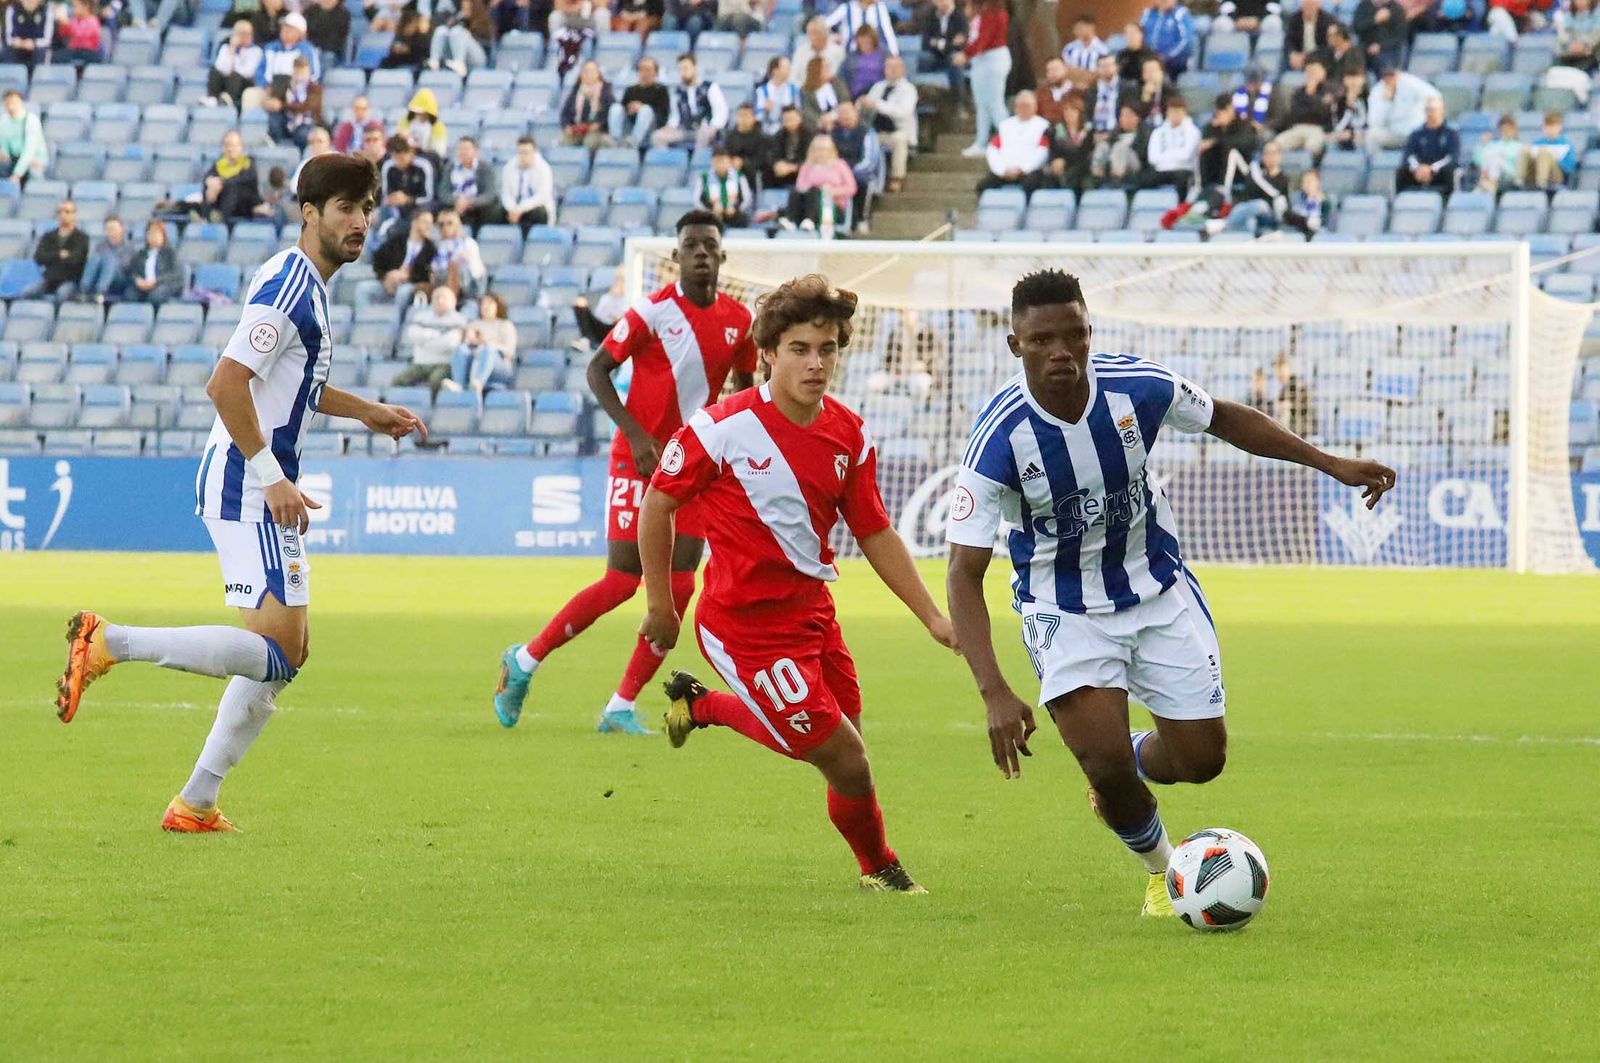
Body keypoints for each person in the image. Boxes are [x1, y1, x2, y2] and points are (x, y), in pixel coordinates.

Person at [944, 269, 1395, 913]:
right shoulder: (999, 439)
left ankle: (1128, 757)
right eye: (1043, 340)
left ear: (1090, 332)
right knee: (1101, 765)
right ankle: (1165, 871)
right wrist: (993, 690)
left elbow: (1226, 419)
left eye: (1074, 335)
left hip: (1158, 592)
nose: (1061, 352)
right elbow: (963, 572)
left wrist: (1330, 463)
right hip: (1064, 610)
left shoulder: (1140, 388)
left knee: (1201, 760)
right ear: (1016, 345)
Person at [53, 154, 427, 833]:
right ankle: (110, 641)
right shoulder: (290, 284)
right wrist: (271, 475)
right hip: (246, 483)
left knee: (289, 653)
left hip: (261, 481)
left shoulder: (307, 286)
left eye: (367, 208)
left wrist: (365, 409)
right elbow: (226, 383)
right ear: (310, 213)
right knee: (280, 650)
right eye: (346, 207)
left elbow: (292, 384)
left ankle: (196, 800)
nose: (361, 221)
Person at [639, 274, 957, 892]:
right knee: (845, 758)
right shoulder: (721, 429)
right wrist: (660, 606)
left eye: (829, 349)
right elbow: (658, 505)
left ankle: (699, 705)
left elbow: (875, 532)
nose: (817, 364)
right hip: (744, 628)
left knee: (847, 752)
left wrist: (934, 618)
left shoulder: (849, 433)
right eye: (800, 349)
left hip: (813, 615)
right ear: (767, 353)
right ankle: (881, 870)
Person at [494, 211, 757, 735]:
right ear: (676, 257)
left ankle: (620, 705)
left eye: (710, 245)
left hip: (696, 468)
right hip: (638, 461)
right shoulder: (651, 312)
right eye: (691, 245)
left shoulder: (738, 320)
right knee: (622, 580)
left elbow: (745, 392)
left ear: (722, 257)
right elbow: (597, 369)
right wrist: (636, 435)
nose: (701, 252)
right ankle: (523, 661)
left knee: (680, 589)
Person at [959, 0, 1010, 157]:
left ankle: (1010, 141)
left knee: (994, 103)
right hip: (982, 61)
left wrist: (965, 54)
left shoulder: (993, 14)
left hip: (991, 60)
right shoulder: (983, 14)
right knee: (982, 105)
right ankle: (981, 142)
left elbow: (984, 40)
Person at [396, 285, 468, 395]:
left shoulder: (459, 320)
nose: (440, 300)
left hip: (444, 364)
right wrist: (437, 335)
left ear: (453, 301)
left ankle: (432, 409)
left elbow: (450, 343)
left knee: (436, 380)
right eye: (437, 297)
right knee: (398, 381)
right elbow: (413, 334)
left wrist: (425, 342)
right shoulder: (421, 317)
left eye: (444, 297)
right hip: (420, 363)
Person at [978, 90, 1052, 195]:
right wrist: (1001, 170)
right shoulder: (1005, 125)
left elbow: (1043, 152)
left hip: (1030, 171)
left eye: (1027, 105)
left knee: (1032, 185)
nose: (1023, 109)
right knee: (983, 186)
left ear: (1035, 107)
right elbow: (992, 149)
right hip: (1005, 171)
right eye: (1020, 105)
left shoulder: (1043, 126)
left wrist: (1023, 169)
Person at [861, 55, 918, 192]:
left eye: (896, 67)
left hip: (897, 131)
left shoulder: (908, 89)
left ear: (903, 69)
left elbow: (903, 112)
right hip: (876, 131)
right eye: (889, 67)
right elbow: (869, 105)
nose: (892, 70)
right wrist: (863, 104)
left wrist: (877, 105)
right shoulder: (878, 87)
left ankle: (897, 177)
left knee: (899, 139)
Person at [650, 54, 729, 150]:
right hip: (685, 129)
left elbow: (721, 110)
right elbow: (675, 116)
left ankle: (697, 161)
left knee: (703, 133)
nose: (683, 72)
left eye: (686, 68)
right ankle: (668, 163)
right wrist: (669, 126)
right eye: (680, 69)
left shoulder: (710, 87)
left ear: (695, 68)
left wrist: (714, 126)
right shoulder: (677, 92)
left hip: (706, 128)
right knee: (657, 136)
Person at [782, 133, 856, 231]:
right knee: (796, 193)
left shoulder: (840, 165)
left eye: (823, 149)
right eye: (817, 149)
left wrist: (832, 191)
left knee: (816, 192)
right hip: (808, 201)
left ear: (831, 150)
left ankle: (810, 220)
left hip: (831, 206)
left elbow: (851, 188)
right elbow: (800, 185)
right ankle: (790, 220)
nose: (820, 152)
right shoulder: (807, 166)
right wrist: (811, 188)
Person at [449, 292, 516, 394]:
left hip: (498, 366)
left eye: (489, 303)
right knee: (460, 349)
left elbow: (509, 351)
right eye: (483, 304)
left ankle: (478, 382)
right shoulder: (473, 325)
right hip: (473, 361)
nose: (485, 307)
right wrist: (469, 340)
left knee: (487, 350)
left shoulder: (505, 325)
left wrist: (486, 342)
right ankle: (459, 385)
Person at [1272, 56, 1336, 157]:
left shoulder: (1330, 90)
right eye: (1309, 71)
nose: (1311, 74)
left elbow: (1324, 114)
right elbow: (1295, 114)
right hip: (1297, 128)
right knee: (1275, 144)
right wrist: (1314, 100)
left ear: (1323, 71)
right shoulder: (1299, 92)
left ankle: (1310, 171)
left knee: (1312, 146)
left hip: (1318, 129)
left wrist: (1311, 96)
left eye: (1314, 71)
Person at [1365, 63, 1436, 153]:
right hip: (1394, 133)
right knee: (1371, 135)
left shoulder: (1410, 82)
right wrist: (1385, 103)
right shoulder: (1377, 92)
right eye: (1386, 76)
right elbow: (1373, 122)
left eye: (1392, 75)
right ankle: (1375, 165)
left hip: (1416, 132)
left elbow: (1434, 95)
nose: (1390, 79)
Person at [27, 200, 89, 302]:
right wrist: (59, 254)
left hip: (70, 280)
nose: (63, 215)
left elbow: (75, 259)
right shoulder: (48, 236)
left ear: (74, 214)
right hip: (49, 280)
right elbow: (39, 257)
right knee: (28, 293)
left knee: (62, 295)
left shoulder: (82, 238)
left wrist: (51, 257)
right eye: (60, 212)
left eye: (67, 212)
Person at [1395, 95, 1457, 195]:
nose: (1430, 113)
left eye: (1433, 110)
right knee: (1401, 172)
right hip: (1417, 173)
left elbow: (1452, 157)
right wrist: (1418, 168)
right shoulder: (1416, 134)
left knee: (1449, 173)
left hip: (1439, 173)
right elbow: (1407, 155)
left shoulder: (1451, 133)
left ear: (1442, 110)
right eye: (1428, 109)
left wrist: (1431, 169)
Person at [372, 207, 437, 296]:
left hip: (412, 285)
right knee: (364, 289)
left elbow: (427, 275)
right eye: (425, 222)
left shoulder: (431, 249)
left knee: (403, 291)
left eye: (431, 223)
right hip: (390, 281)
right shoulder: (397, 241)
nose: (429, 226)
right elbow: (378, 258)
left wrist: (408, 276)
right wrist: (386, 275)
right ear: (414, 222)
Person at [379, 135, 438, 232]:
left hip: (419, 206)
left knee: (419, 216)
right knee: (378, 215)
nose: (398, 162)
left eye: (401, 158)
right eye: (395, 157)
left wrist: (408, 200)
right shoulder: (388, 166)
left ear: (411, 154)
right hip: (396, 207)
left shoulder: (423, 166)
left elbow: (429, 197)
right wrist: (392, 199)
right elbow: (386, 195)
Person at [1143, 95, 1199, 196]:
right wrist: (1173, 156)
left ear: (1184, 112)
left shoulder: (1193, 131)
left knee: (1182, 179)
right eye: (1172, 111)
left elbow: (1186, 155)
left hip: (1183, 169)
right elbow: (1153, 157)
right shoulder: (1158, 132)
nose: (1175, 115)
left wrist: (1165, 155)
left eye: (1178, 111)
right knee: (1144, 179)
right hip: (1161, 169)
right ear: (1167, 112)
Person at [202, 132, 264, 222]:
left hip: (245, 205)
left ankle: (220, 222)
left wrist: (220, 183)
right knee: (209, 185)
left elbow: (241, 180)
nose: (230, 149)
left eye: (234, 145)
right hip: (223, 202)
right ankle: (206, 218)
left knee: (231, 187)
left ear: (241, 147)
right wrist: (210, 182)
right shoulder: (220, 164)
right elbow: (208, 176)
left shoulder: (248, 163)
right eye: (227, 145)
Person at [500, 135, 555, 235]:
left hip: (533, 208)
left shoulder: (544, 169)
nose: (523, 156)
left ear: (534, 152)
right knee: (496, 212)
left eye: (526, 153)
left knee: (537, 214)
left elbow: (541, 197)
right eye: (520, 152)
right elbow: (506, 194)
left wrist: (521, 209)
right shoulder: (509, 167)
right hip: (514, 208)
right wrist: (512, 209)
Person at [610, 56, 669, 146]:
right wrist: (629, 109)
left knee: (645, 110)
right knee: (615, 108)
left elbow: (663, 115)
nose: (644, 73)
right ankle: (615, 141)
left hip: (651, 126)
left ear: (655, 72)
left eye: (648, 70)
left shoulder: (661, 90)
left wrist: (641, 108)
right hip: (630, 124)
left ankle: (633, 143)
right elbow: (622, 109)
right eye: (641, 70)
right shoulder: (630, 90)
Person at [268, 56, 325, 149]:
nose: (300, 75)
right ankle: (276, 146)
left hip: (307, 121)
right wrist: (274, 103)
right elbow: (277, 100)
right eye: (298, 71)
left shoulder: (315, 88)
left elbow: (307, 107)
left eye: (303, 72)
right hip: (289, 119)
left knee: (302, 134)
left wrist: (282, 105)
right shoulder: (287, 85)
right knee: (274, 118)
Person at [918, 0, 968, 105]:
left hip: (951, 56)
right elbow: (925, 42)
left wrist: (938, 43)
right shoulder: (930, 15)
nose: (942, 4)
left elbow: (961, 43)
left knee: (956, 61)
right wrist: (948, 43)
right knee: (920, 58)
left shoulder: (960, 17)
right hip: (933, 56)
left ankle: (958, 103)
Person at [430, 208, 486, 300]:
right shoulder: (440, 246)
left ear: (457, 225)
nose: (445, 228)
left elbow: (477, 271)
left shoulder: (468, 243)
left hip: (470, 286)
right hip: (444, 283)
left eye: (449, 223)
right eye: (441, 225)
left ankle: (450, 300)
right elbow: (435, 270)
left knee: (454, 265)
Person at [207, 21, 264, 111]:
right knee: (214, 72)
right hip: (226, 78)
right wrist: (232, 50)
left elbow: (248, 71)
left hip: (245, 82)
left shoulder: (256, 51)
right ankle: (212, 98)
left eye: (247, 34)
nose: (243, 37)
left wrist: (234, 68)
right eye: (240, 34)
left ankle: (229, 100)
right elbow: (221, 67)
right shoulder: (225, 48)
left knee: (235, 76)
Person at [448, 136, 502, 230]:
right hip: (456, 204)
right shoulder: (450, 167)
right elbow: (443, 192)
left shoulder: (485, 168)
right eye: (460, 149)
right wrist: (457, 201)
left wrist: (469, 202)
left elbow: (489, 194)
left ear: (475, 151)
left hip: (478, 207)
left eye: (466, 149)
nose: (463, 152)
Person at [1092, 103, 1151, 188]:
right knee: (1102, 146)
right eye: (1122, 116)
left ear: (1137, 118)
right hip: (1110, 166)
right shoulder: (1114, 134)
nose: (1124, 119)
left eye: (1128, 115)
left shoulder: (1144, 134)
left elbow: (1143, 154)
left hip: (1135, 166)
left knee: (1120, 147)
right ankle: (1096, 179)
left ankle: (1116, 180)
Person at [1045, 94, 1094, 195]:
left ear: (1079, 113)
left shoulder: (1088, 131)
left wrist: (1064, 161)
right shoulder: (1056, 131)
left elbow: (1084, 154)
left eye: (1073, 110)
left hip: (1081, 168)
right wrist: (1055, 161)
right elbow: (1053, 150)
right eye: (1066, 110)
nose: (1069, 114)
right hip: (1060, 168)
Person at [125, 220, 183, 305]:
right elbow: (133, 272)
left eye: (156, 233)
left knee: (156, 296)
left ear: (163, 235)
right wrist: (137, 280)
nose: (153, 236)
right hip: (144, 285)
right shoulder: (141, 254)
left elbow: (175, 274)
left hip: (164, 284)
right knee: (130, 295)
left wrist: (155, 281)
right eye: (151, 233)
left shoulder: (170, 253)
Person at [427, 0, 492, 75]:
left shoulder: (482, 20)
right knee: (441, 30)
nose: (465, 10)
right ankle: (434, 62)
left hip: (478, 57)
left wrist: (469, 35)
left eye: (468, 7)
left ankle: (459, 63)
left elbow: (487, 44)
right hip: (453, 55)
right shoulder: (458, 19)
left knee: (457, 32)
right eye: (463, 7)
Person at [78, 216, 133, 303]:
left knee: (110, 260)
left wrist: (108, 262)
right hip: (100, 276)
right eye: (108, 229)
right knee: (95, 258)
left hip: (120, 278)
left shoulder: (130, 248)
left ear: (121, 229)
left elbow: (126, 267)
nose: (111, 232)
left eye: (114, 228)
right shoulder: (100, 246)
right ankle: (84, 289)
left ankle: (100, 292)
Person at [561, 60, 614, 149]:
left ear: (598, 74)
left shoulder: (605, 92)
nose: (588, 74)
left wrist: (599, 125)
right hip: (577, 129)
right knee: (564, 142)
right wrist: (567, 126)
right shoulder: (575, 91)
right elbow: (564, 113)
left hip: (597, 130)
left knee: (590, 142)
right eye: (585, 71)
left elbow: (610, 113)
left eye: (591, 71)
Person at [698, 146, 755, 227]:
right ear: (712, 162)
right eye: (718, 161)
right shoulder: (704, 178)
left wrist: (735, 209)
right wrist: (710, 210)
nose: (721, 165)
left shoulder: (739, 177)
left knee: (743, 220)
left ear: (729, 162)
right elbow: (698, 200)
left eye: (724, 161)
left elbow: (746, 198)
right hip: (712, 213)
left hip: (734, 213)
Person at [1519, 110, 1577, 190]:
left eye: (1553, 126)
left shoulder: (1566, 144)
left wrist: (1552, 158)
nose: (1550, 129)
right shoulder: (1537, 143)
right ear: (1543, 127)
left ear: (1560, 127)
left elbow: (1569, 168)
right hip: (1534, 172)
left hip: (1556, 176)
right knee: (1524, 150)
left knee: (1544, 153)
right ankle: (1519, 181)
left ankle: (1541, 184)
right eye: (1548, 126)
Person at [717, 104, 772, 186]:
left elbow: (763, 160)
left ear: (753, 118)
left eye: (746, 116)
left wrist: (743, 163)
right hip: (732, 173)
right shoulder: (729, 137)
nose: (743, 119)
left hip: (754, 175)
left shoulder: (762, 138)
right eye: (740, 116)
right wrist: (729, 162)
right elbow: (723, 154)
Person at [0, 89, 47, 185]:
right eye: (8, 102)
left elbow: (29, 151)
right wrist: (4, 152)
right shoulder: (3, 120)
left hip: (33, 159)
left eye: (14, 101)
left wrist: (17, 174)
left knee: (34, 172)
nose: (11, 105)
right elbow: (4, 142)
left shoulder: (31, 120)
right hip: (13, 158)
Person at [1139, 0, 1195, 78]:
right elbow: (1138, 36)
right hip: (1147, 61)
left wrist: (1165, 57)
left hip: (1172, 64)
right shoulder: (1147, 13)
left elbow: (1187, 42)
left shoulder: (1180, 14)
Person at [826, 0, 899, 57]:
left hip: (876, 54)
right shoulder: (846, 8)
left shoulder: (880, 8)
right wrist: (832, 37)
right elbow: (823, 26)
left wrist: (895, 54)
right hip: (851, 54)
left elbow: (888, 33)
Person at [1474, 114, 1523, 192]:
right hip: (1491, 174)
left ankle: (1489, 185)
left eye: (1508, 129)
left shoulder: (1520, 146)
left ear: (1514, 130)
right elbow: (1478, 161)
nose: (1505, 132)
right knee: (1489, 154)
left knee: (1496, 158)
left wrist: (1503, 156)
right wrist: (1482, 145)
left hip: (1510, 178)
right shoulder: (1492, 145)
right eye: (1503, 130)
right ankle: (1489, 185)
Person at [1352, 0, 1407, 72]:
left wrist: (1380, 46)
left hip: (1387, 49)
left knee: (1386, 61)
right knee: (1354, 59)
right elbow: (1356, 28)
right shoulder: (1363, 6)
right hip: (1365, 47)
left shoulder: (1396, 9)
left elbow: (1401, 35)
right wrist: (1374, 20)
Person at [767, 106, 811, 190]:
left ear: (800, 118)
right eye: (786, 120)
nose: (789, 123)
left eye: (792, 119)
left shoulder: (810, 135)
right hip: (783, 172)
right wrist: (776, 164)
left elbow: (811, 159)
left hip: (802, 171)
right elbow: (772, 154)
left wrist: (793, 167)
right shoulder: (779, 135)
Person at [400, 88, 448, 163]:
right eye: (418, 112)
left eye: (424, 113)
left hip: (428, 160)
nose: (421, 116)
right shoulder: (406, 121)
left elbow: (439, 152)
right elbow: (399, 141)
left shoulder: (438, 127)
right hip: (407, 159)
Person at [1061, 12, 1109, 88]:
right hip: (1072, 88)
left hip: (1095, 88)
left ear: (1091, 27)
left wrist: (1087, 79)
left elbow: (1101, 73)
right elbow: (1067, 70)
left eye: (1079, 28)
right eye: (1075, 29)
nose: (1076, 32)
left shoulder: (1103, 49)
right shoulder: (1069, 49)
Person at [1283, 0, 1335, 71]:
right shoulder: (1294, 19)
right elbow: (1289, 40)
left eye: (1312, 5)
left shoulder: (1328, 20)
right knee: (1283, 60)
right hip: (1297, 57)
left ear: (1319, 5)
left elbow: (1327, 47)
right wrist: (1293, 54)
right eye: (1306, 5)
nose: (1309, 8)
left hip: (1318, 59)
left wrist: (1307, 57)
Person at [754, 56, 801, 134]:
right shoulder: (761, 91)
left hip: (789, 129)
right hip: (767, 130)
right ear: (775, 70)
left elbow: (799, 110)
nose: (789, 71)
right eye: (786, 68)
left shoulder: (794, 89)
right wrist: (764, 109)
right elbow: (757, 115)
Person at [2, 0, 53, 71]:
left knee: (41, 53)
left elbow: (47, 40)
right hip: (16, 47)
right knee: (7, 52)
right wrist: (16, 42)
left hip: (37, 48)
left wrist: (34, 43)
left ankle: (38, 78)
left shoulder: (47, 10)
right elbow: (8, 37)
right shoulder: (12, 9)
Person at [798, 55, 848, 128]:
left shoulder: (837, 84)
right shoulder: (805, 90)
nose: (828, 70)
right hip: (819, 124)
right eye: (824, 68)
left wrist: (835, 117)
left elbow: (845, 101)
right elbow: (807, 111)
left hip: (840, 120)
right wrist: (821, 121)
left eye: (827, 67)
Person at [793, 16, 846, 84]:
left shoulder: (838, 52)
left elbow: (841, 78)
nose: (811, 37)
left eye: (814, 32)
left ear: (824, 33)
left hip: (830, 90)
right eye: (809, 33)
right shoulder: (800, 52)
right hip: (804, 90)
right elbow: (793, 78)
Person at [305, 0, 352, 71]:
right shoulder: (311, 11)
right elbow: (309, 29)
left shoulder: (343, 13)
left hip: (330, 50)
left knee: (327, 57)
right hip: (311, 48)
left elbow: (338, 36)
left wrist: (326, 11)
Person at [844, 25, 886, 99]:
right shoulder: (851, 57)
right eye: (861, 42)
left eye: (867, 42)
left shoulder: (884, 55)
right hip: (856, 93)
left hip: (877, 92)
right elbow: (841, 76)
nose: (864, 44)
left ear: (873, 40)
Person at [57, 0, 103, 66]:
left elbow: (82, 35)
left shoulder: (93, 20)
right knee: (58, 57)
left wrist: (68, 24)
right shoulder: (74, 20)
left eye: (76, 6)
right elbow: (64, 34)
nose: (73, 9)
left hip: (89, 52)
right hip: (74, 51)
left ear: (86, 7)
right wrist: (62, 25)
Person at [1037, 57, 1074, 127]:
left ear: (1066, 68)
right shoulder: (1040, 94)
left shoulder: (1077, 92)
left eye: (1055, 69)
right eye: (1048, 71)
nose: (1052, 74)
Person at [1089, 54, 1122, 133]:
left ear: (1116, 67)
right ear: (1097, 69)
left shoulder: (1126, 87)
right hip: (1095, 132)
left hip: (1117, 131)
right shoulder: (1091, 90)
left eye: (1109, 65)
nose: (1106, 69)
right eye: (1102, 66)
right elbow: (1088, 114)